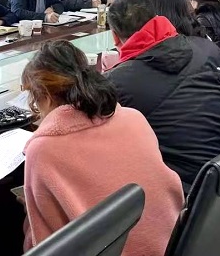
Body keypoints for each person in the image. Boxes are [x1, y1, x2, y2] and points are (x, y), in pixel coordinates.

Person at [21, 40, 183, 256]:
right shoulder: (134, 118)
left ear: (46, 96)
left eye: (34, 101)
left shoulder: (43, 150)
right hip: (170, 245)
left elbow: (45, 244)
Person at [105, 0, 220, 189]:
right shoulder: (206, 48)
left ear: (115, 36)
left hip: (182, 192)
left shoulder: (117, 82)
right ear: (156, 19)